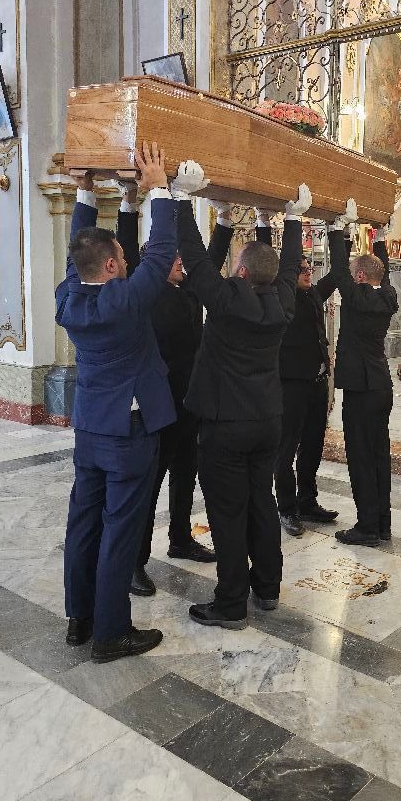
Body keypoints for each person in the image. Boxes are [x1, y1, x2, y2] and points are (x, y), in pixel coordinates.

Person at [173, 164, 308, 629]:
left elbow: (193, 257)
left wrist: (180, 196)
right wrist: (287, 219)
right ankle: (267, 588)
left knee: (228, 514)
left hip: (225, 426)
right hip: (266, 421)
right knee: (261, 503)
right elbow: (288, 267)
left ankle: (231, 603)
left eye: (234, 263)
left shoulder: (229, 299)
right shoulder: (283, 302)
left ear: (242, 268)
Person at [56, 142, 176, 663]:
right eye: (122, 257)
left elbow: (75, 251)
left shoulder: (69, 296)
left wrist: (85, 191)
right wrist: (159, 188)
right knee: (120, 530)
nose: (129, 259)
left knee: (83, 522)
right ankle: (110, 633)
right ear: (109, 265)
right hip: (128, 434)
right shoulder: (124, 299)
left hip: (90, 430)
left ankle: (79, 619)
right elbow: (163, 251)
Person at [115, 177, 216, 600]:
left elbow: (211, 259)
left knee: (185, 474)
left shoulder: (188, 288)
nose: (180, 262)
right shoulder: (146, 286)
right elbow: (128, 244)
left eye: (179, 258)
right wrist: (128, 204)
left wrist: (222, 223)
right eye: (173, 258)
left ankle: (179, 537)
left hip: (190, 400)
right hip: (159, 403)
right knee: (149, 483)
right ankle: (135, 562)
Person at [219, 210, 338, 537]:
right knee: (286, 450)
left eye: (309, 267)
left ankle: (307, 500)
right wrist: (263, 222)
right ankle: (286, 509)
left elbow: (339, 272)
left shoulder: (313, 294)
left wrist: (339, 229)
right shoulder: (281, 297)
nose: (306, 271)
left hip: (315, 383)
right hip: (289, 384)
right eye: (300, 268)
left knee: (313, 444)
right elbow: (267, 262)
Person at [328, 200, 398, 547]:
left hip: (359, 387)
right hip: (381, 385)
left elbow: (339, 270)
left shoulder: (356, 298)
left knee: (359, 456)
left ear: (359, 277)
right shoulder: (387, 296)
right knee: (379, 454)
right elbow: (387, 272)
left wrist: (336, 230)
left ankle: (367, 526)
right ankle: (382, 522)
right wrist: (379, 234)